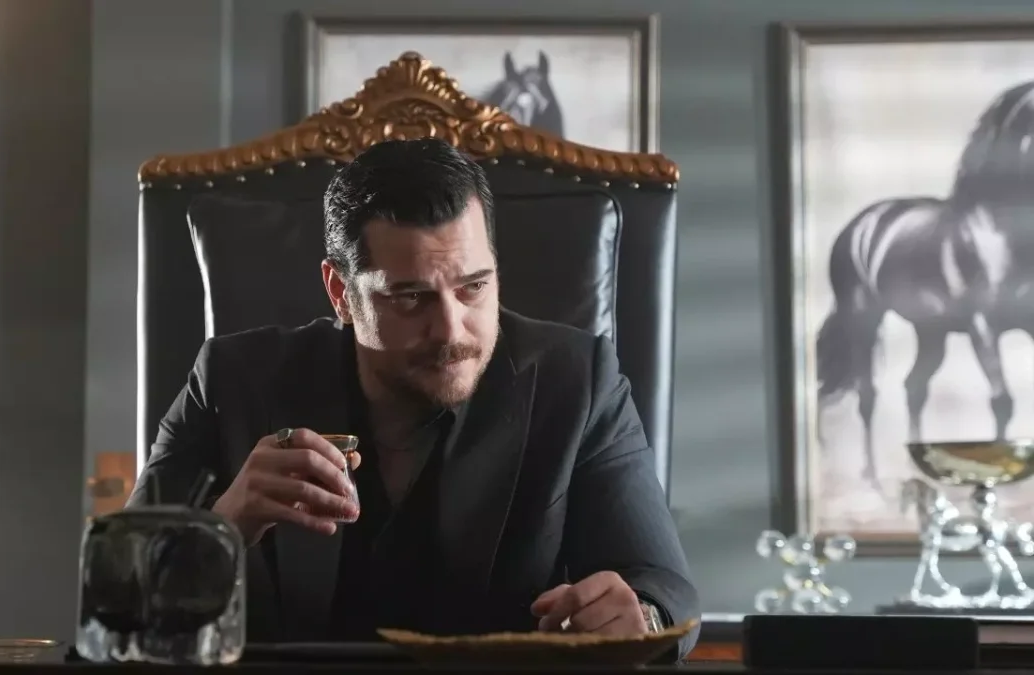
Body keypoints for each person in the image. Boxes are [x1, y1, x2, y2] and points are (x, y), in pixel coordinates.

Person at [127, 138, 699, 659]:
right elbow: (118, 588)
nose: (451, 330)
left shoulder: (578, 381)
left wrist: (640, 616)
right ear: (341, 293)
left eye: (474, 287)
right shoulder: (231, 381)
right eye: (410, 297)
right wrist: (224, 526)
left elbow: (664, 586)